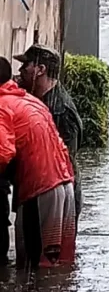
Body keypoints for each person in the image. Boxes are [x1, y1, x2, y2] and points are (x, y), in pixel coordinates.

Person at [0, 56, 76, 269]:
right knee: (58, 263)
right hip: (65, 185)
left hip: (41, 190)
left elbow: (3, 153)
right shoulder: (29, 99)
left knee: (32, 265)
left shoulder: (2, 106)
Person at [14, 45, 83, 228]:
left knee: (48, 253)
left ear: (40, 70)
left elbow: (64, 160)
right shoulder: (38, 100)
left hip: (52, 196)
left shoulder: (61, 111)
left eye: (25, 65)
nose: (20, 71)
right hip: (38, 191)